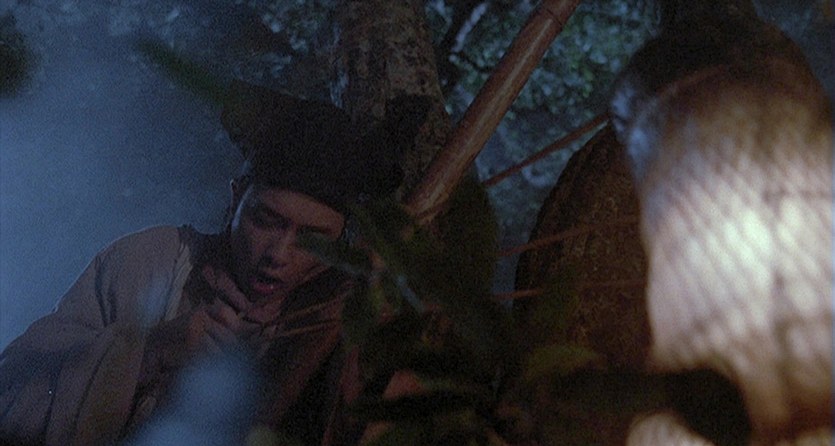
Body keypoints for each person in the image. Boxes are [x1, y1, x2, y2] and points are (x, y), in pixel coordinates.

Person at [0, 81, 427, 446]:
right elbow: (14, 388)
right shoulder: (154, 262)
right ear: (236, 198)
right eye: (265, 220)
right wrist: (149, 351)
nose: (278, 254)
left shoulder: (343, 318)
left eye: (313, 240)